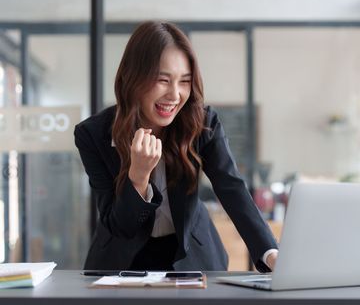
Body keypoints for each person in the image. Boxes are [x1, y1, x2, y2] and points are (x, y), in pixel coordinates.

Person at [74, 21, 278, 272]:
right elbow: (121, 226)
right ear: (132, 77)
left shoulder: (203, 123)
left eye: (184, 81)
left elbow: (231, 187)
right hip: (122, 260)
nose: (174, 95)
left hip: (192, 255)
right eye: (163, 80)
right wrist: (138, 176)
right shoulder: (93, 134)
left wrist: (270, 253)